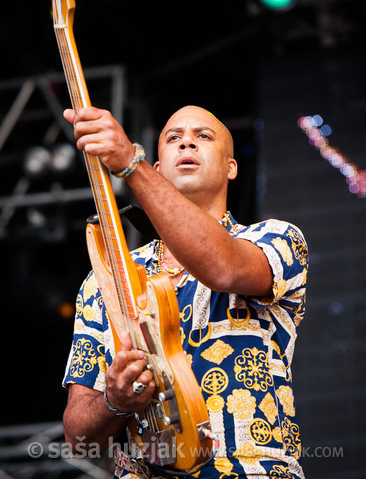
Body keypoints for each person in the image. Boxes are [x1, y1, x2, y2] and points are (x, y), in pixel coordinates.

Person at [62, 104, 308, 479]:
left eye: (203, 136)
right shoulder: (107, 278)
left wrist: (131, 163)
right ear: (158, 170)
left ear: (231, 166)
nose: (186, 142)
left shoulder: (276, 239)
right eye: (173, 138)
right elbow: (78, 439)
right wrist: (115, 401)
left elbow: (223, 268)